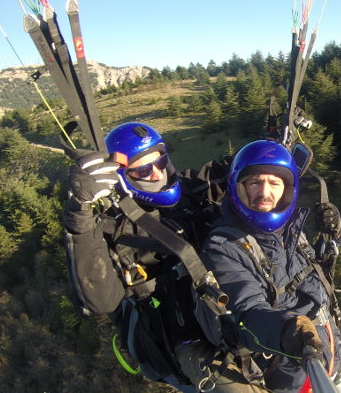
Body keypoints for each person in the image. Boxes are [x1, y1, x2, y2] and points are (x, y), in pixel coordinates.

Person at [196, 139, 341, 393]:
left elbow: (315, 271)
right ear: (238, 187)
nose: (265, 193)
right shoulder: (223, 247)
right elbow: (247, 314)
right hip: (297, 379)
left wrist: (335, 236)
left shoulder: (290, 231)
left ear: (288, 189)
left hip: (335, 358)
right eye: (254, 182)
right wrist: (288, 329)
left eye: (275, 183)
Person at [63, 121, 244, 393]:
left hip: (229, 307)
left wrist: (268, 152)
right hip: (184, 340)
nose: (157, 173)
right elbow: (99, 300)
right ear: (122, 177)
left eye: (160, 162)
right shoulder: (111, 231)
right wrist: (80, 217)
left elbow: (227, 172)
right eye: (144, 170)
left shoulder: (187, 191)